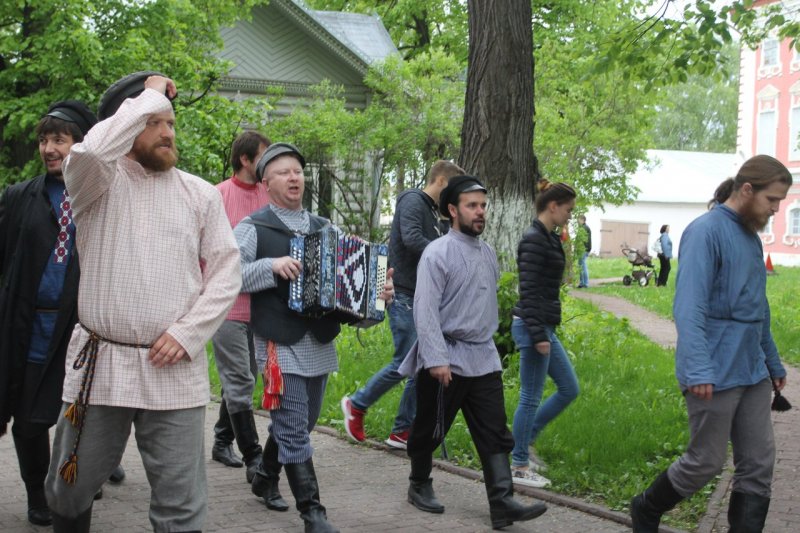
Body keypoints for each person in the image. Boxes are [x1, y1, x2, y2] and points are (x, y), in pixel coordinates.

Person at [43, 72, 241, 532]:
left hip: (174, 369)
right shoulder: (94, 183)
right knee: (69, 490)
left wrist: (187, 334)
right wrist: (149, 94)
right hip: (101, 367)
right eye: (153, 121)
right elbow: (91, 151)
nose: (168, 132)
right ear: (126, 123)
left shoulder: (199, 194)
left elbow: (226, 271)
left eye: (170, 122)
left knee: (182, 507)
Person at [235, 142, 394, 532]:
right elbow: (229, 276)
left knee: (302, 423)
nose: (294, 178)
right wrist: (271, 266)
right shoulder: (253, 227)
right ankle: (313, 514)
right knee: (292, 427)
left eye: (298, 172)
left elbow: (348, 293)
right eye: (284, 173)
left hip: (317, 341)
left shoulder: (326, 228)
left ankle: (265, 475)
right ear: (266, 182)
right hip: (277, 341)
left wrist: (375, 296)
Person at [630, 155, 793, 533]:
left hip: (751, 370)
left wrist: (772, 361)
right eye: (772, 200)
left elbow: (758, 307)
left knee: (759, 463)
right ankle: (646, 507)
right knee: (706, 461)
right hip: (714, 369)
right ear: (747, 190)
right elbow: (689, 306)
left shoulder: (751, 237)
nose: (775, 209)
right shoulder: (705, 232)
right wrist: (698, 367)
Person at [398, 175, 548, 530]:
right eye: (472, 206)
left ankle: (502, 502)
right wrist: (436, 358)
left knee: (494, 430)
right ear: (453, 210)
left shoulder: (487, 253)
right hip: (445, 357)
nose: (480, 212)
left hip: (482, 358)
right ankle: (419, 484)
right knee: (430, 428)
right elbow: (425, 310)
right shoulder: (437, 253)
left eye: (483, 205)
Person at [341, 160, 464, 449]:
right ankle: (357, 404)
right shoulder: (412, 200)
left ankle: (402, 430)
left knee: (421, 365)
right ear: (442, 182)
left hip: (420, 297)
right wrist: (445, 255)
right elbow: (411, 239)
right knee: (407, 362)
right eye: (453, 190)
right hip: (403, 294)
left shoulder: (433, 213)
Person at [209, 131, 277, 491]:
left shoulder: (270, 196)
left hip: (263, 307)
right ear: (246, 160)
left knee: (245, 375)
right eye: (263, 157)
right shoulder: (217, 195)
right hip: (227, 306)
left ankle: (222, 440)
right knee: (240, 380)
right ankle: (254, 457)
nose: (270, 164)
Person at [510, 180, 580, 489]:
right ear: (553, 206)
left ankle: (525, 441)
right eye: (568, 209)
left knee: (569, 387)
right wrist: (538, 334)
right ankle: (519, 464)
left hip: (542, 326)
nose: (570, 215)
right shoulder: (533, 240)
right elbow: (528, 291)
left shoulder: (547, 238)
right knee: (530, 396)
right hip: (532, 326)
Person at [576, 215, 591, 288]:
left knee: (583, 266)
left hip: (584, 249)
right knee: (580, 266)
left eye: (578, 220)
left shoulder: (584, 228)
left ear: (583, 220)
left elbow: (583, 240)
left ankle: (586, 283)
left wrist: (583, 248)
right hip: (581, 249)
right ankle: (582, 283)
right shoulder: (582, 227)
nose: (577, 221)